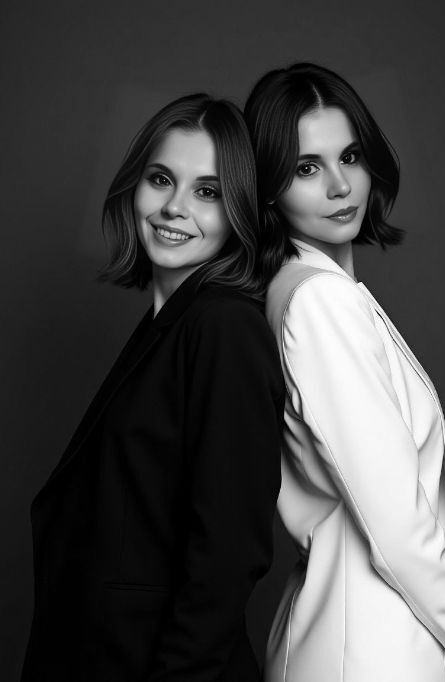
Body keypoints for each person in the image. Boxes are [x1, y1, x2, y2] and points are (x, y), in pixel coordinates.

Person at [244, 63, 445, 682]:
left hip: (353, 635)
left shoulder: (304, 290)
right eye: (306, 168)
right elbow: (397, 525)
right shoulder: (320, 302)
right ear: (269, 187)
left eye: (350, 157)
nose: (340, 185)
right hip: (369, 650)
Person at [22, 93, 284, 682]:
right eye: (161, 179)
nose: (174, 207)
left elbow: (227, 555)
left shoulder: (225, 328)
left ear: (239, 212)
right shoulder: (171, 323)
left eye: (207, 192)